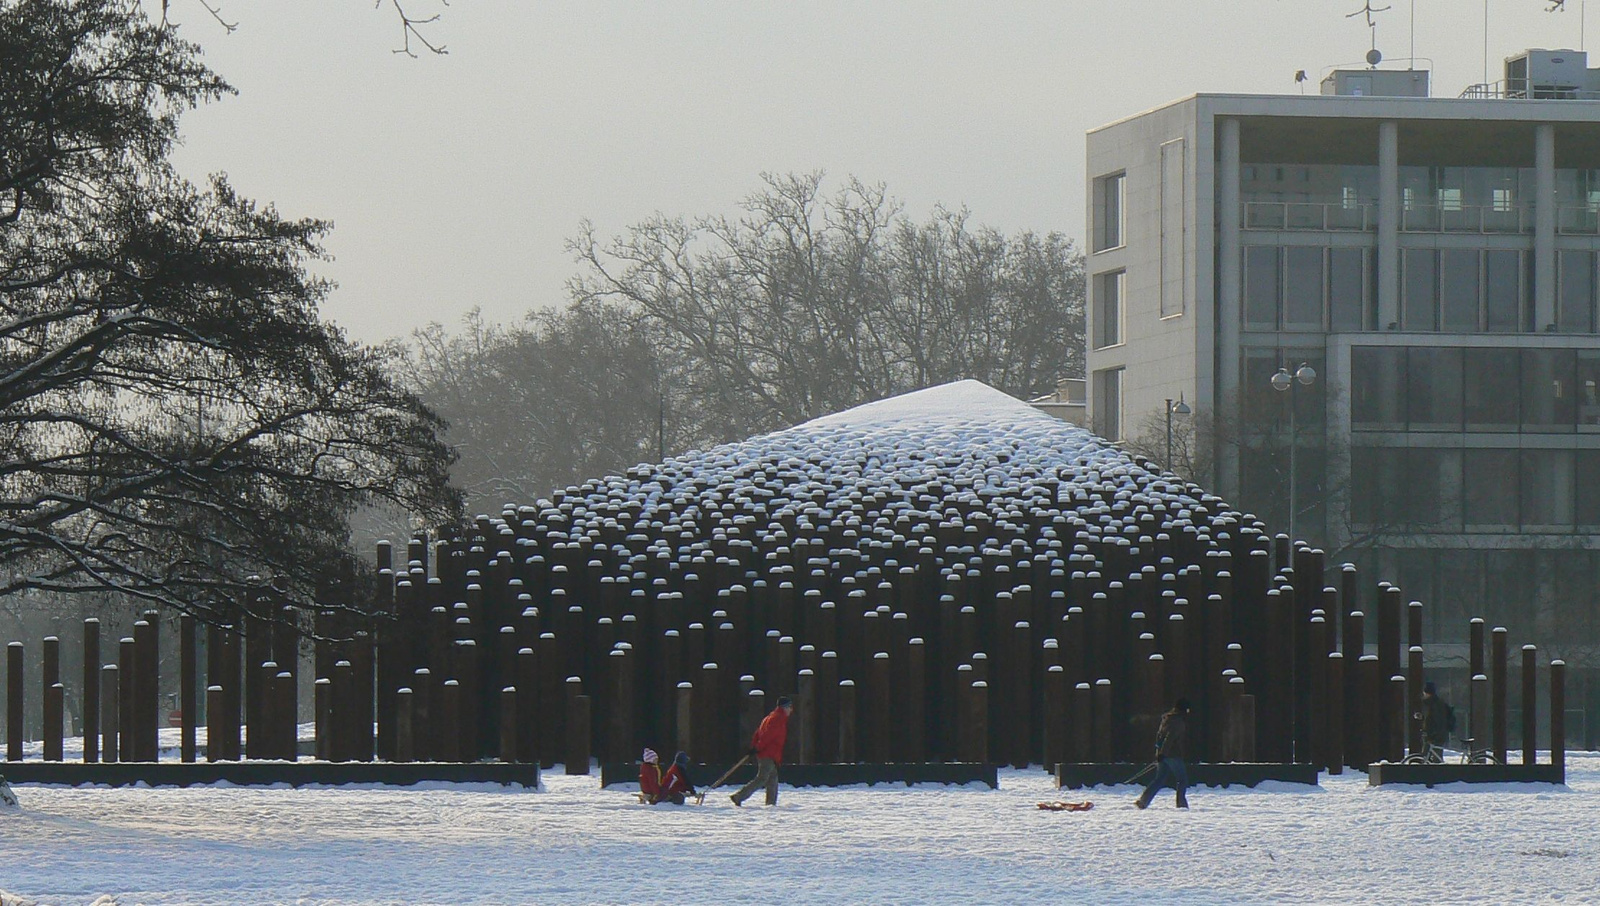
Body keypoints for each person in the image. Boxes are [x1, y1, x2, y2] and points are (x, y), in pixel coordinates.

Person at [731, 695, 792, 806]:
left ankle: (771, 804)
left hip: (768, 753)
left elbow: (758, 733)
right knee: (762, 778)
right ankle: (739, 796)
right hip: (768, 753)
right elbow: (767, 736)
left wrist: (754, 747)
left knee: (772, 779)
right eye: (789, 707)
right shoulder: (777, 719)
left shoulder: (770, 717)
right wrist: (757, 748)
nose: (791, 710)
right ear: (784, 707)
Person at [1136, 698, 1191, 810]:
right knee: (1182, 780)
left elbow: (1159, 736)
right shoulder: (1178, 721)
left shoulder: (1167, 719)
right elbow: (1169, 738)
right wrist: (1164, 753)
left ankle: (1143, 801)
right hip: (1173, 755)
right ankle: (1181, 804)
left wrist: (1159, 752)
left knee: (1159, 779)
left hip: (1163, 755)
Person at [1417, 681, 1452, 759]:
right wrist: (1422, 717)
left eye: (1424, 693)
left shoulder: (1436, 704)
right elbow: (1431, 719)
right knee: (1427, 756)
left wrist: (1434, 734)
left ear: (1428, 693)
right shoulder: (1431, 704)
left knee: (1435, 758)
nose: (1423, 695)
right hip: (1432, 735)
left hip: (1435, 736)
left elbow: (1439, 720)